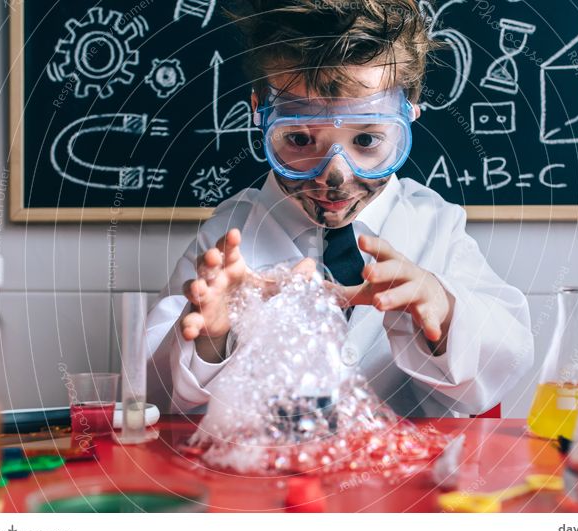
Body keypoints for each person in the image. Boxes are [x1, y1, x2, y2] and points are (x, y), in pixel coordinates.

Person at [146, 0, 533, 417]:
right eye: (297, 139)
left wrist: (441, 310)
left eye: (366, 141)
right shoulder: (226, 240)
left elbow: (504, 364)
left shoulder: (434, 226)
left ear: (409, 115)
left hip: (406, 476)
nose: (334, 175)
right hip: (268, 476)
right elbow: (155, 396)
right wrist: (212, 338)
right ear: (260, 113)